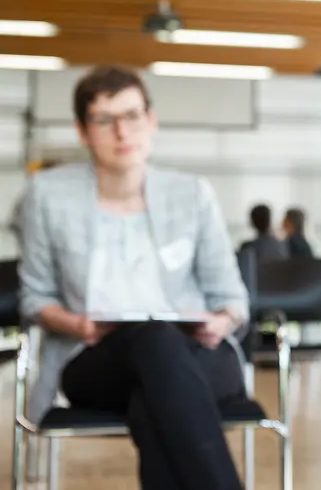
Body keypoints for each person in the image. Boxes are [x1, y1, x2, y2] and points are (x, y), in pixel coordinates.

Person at [17, 65, 249, 490]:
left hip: (196, 352)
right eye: (105, 120)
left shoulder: (192, 194)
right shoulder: (48, 196)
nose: (122, 132)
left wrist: (222, 321)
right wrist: (77, 324)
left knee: (154, 399)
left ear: (151, 121)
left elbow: (231, 298)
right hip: (97, 357)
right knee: (156, 342)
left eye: (133, 116)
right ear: (84, 131)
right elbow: (35, 298)